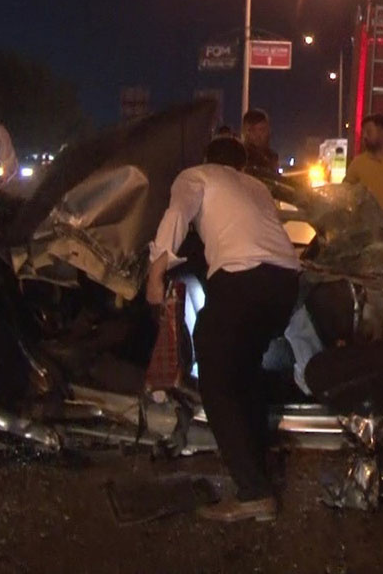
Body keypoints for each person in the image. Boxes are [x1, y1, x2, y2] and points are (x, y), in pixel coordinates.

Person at [144, 136, 301, 522]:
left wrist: (155, 273)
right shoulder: (256, 187)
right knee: (244, 374)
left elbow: (178, 215)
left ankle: (253, 493)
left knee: (215, 377)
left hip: (243, 277)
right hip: (284, 282)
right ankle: (255, 462)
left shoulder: (196, 175)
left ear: (207, 158)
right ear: (242, 167)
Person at [241, 109, 280, 177]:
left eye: (262, 130)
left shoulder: (271, 157)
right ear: (245, 131)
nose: (258, 135)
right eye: (252, 130)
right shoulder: (241, 157)